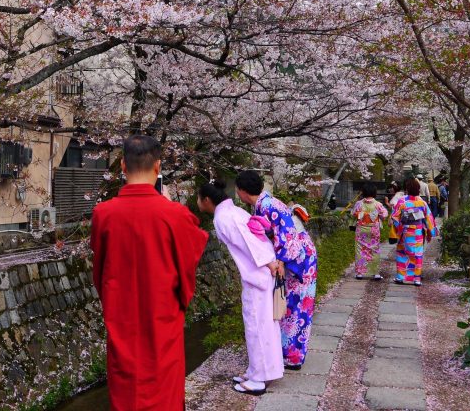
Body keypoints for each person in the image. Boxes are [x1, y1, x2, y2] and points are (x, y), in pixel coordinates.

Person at [91, 135, 209, 411]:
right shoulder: (174, 215)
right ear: (158, 167)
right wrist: (171, 205)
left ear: (122, 166)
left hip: (122, 319)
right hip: (161, 320)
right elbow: (191, 255)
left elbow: (101, 271)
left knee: (125, 393)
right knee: (164, 394)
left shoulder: (103, 213)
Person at [198, 180, 283, 395]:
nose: (198, 203)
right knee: (263, 324)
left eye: (198, 199)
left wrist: (268, 262)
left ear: (207, 200)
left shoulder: (225, 217)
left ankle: (258, 379)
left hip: (260, 273)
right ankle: (259, 371)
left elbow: (249, 242)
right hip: (262, 271)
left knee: (257, 325)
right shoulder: (233, 212)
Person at [235, 170, 317, 370]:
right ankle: (286, 351)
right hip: (297, 256)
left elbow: (287, 236)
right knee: (290, 306)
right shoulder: (265, 204)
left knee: (297, 307)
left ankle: (293, 356)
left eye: (237, 189)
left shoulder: (267, 206)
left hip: (298, 261)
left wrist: (279, 262)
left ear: (243, 191)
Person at [391, 178, 437, 287]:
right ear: (418, 189)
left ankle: (401, 277)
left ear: (407, 189)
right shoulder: (422, 202)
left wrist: (399, 227)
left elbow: (395, 217)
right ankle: (416, 278)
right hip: (417, 232)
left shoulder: (402, 201)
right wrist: (431, 231)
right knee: (417, 254)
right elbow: (429, 218)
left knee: (402, 253)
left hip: (405, 231)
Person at [352, 183, 388, 280]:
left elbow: (353, 213)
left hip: (361, 228)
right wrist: (375, 215)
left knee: (360, 250)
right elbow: (384, 215)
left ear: (363, 192)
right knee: (374, 250)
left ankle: (360, 273)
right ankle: (375, 272)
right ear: (374, 192)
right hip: (374, 229)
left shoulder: (359, 203)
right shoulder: (378, 204)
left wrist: (363, 214)